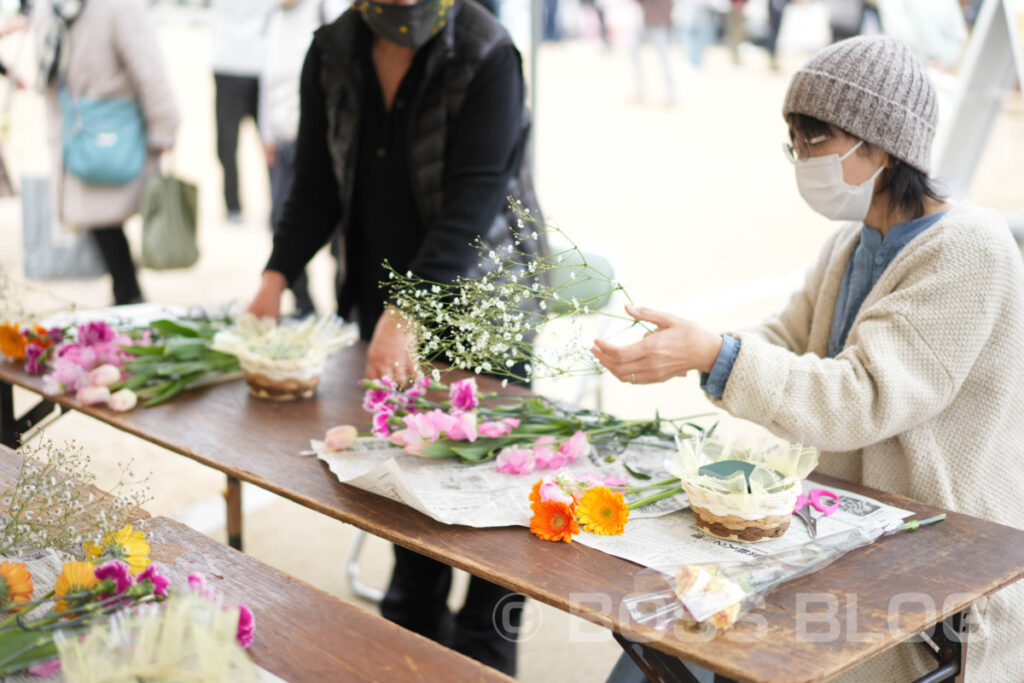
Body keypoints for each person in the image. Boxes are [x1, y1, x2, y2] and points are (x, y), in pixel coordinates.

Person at [595, 35, 1024, 681]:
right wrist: (691, 348)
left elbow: (859, 398)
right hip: (849, 527)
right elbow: (786, 336)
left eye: (813, 138)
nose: (800, 156)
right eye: (793, 139)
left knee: (711, 644)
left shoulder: (970, 249)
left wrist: (717, 353)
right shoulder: (851, 243)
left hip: (937, 550)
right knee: (659, 632)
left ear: (878, 144)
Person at [246, 0, 542, 674]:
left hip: (483, 307)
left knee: (492, 504)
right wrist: (274, 276)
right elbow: (316, 185)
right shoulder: (332, 50)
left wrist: (407, 313)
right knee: (409, 499)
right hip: (382, 306)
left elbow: (475, 200)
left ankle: (487, 650)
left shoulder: (486, 52)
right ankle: (411, 633)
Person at [30, 0, 179, 305]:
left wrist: (163, 125)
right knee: (101, 221)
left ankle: (127, 292)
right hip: (74, 131)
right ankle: (126, 291)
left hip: (112, 130)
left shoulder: (115, 7)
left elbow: (148, 68)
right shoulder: (48, 8)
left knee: (107, 219)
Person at [259, 0, 324, 317]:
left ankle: (347, 311)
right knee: (283, 220)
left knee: (336, 232)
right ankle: (303, 303)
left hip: (317, 140)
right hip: (283, 140)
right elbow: (268, 81)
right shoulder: (274, 17)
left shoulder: (324, 11)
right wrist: (266, 133)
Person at [209, 0, 271, 223]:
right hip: (238, 61)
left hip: (251, 62)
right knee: (234, 144)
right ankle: (237, 205)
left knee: (236, 143)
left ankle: (237, 206)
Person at [631, 0, 675, 105]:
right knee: (634, 51)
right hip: (650, 22)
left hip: (657, 24)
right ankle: (640, 89)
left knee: (663, 59)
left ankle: (671, 94)